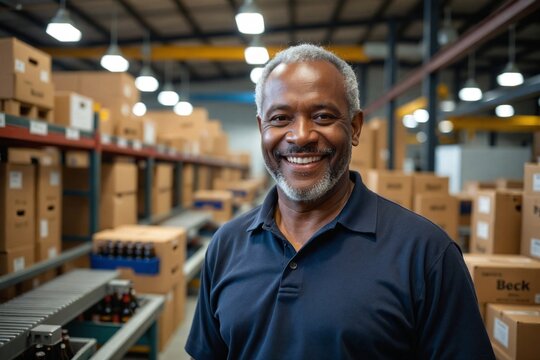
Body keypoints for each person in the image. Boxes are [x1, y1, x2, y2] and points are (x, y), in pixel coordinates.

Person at [185, 44, 495, 359]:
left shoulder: (426, 254)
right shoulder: (227, 245)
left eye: (322, 116)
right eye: (280, 118)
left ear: (355, 127)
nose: (301, 136)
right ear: (261, 127)